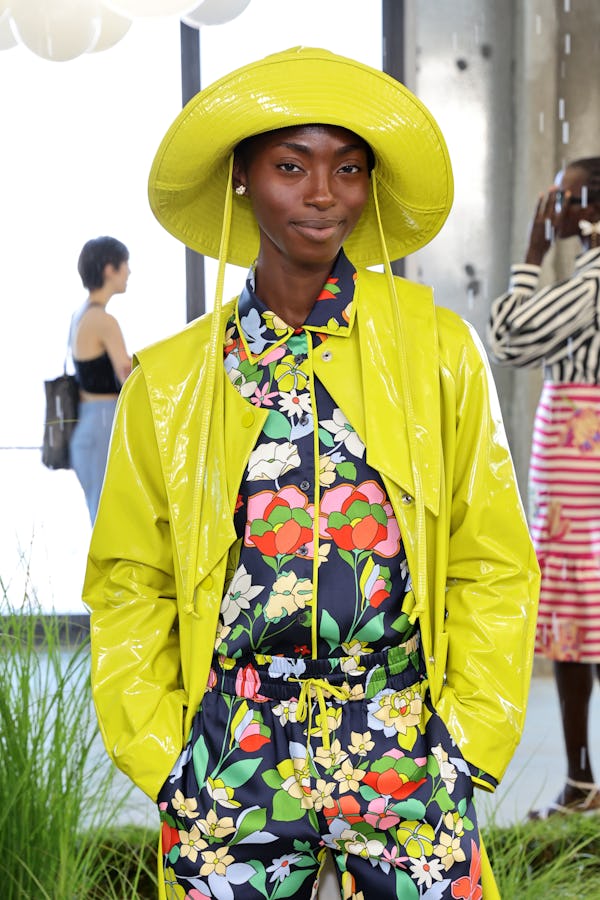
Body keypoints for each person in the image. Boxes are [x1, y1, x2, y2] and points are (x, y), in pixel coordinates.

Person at [84, 48, 539, 899]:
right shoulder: (173, 380)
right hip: (232, 745)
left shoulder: (437, 353)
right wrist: (166, 761)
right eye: (292, 166)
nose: (324, 194)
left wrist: (466, 744)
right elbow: (127, 583)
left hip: (403, 736)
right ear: (243, 179)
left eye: (349, 168)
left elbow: (494, 559)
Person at [488, 156, 600, 820]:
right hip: (576, 448)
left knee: (580, 616)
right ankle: (584, 782)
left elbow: (507, 334)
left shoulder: (590, 283)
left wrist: (531, 256)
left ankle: (582, 782)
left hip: (580, 453)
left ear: (587, 208)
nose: (546, 208)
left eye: (556, 197)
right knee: (583, 616)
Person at [69, 235, 132, 524]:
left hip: (87, 423)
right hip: (103, 422)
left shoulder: (80, 314)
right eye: (125, 265)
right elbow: (126, 375)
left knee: (100, 516)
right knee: (106, 519)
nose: (129, 272)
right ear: (109, 269)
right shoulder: (104, 321)